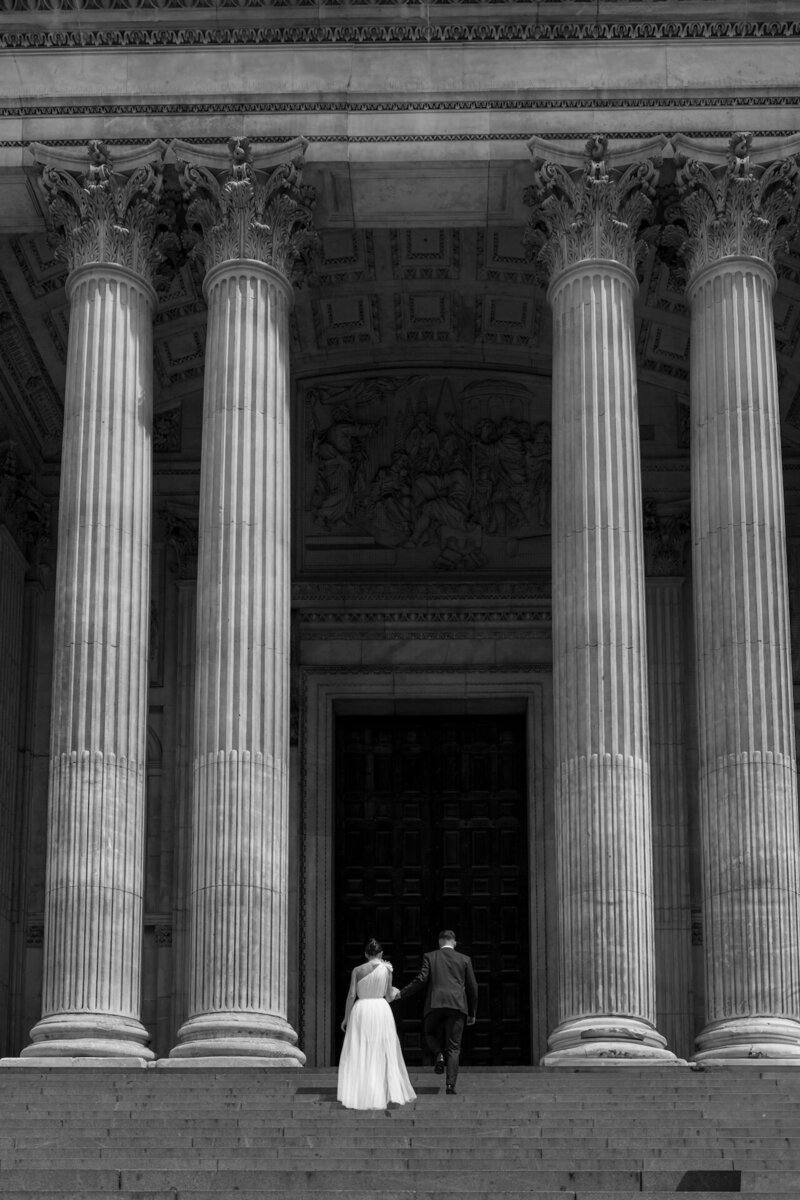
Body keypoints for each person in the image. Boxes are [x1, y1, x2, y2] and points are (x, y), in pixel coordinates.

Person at [393, 930, 478, 1095]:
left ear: (440, 942)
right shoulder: (465, 959)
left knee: (429, 1033)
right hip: (457, 1006)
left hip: (435, 1004)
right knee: (454, 1047)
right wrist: (472, 1012)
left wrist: (401, 993)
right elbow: (473, 987)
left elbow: (421, 979)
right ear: (454, 942)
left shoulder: (430, 956)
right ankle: (450, 1086)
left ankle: (438, 1054)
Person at [337, 938, 416, 1111]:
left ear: (366, 954)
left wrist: (346, 1017)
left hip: (362, 1009)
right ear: (380, 954)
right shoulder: (387, 969)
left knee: (361, 1050)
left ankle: (361, 1092)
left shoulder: (357, 970)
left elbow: (351, 995)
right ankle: (381, 1091)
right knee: (381, 1050)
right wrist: (395, 992)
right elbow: (388, 995)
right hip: (381, 1010)